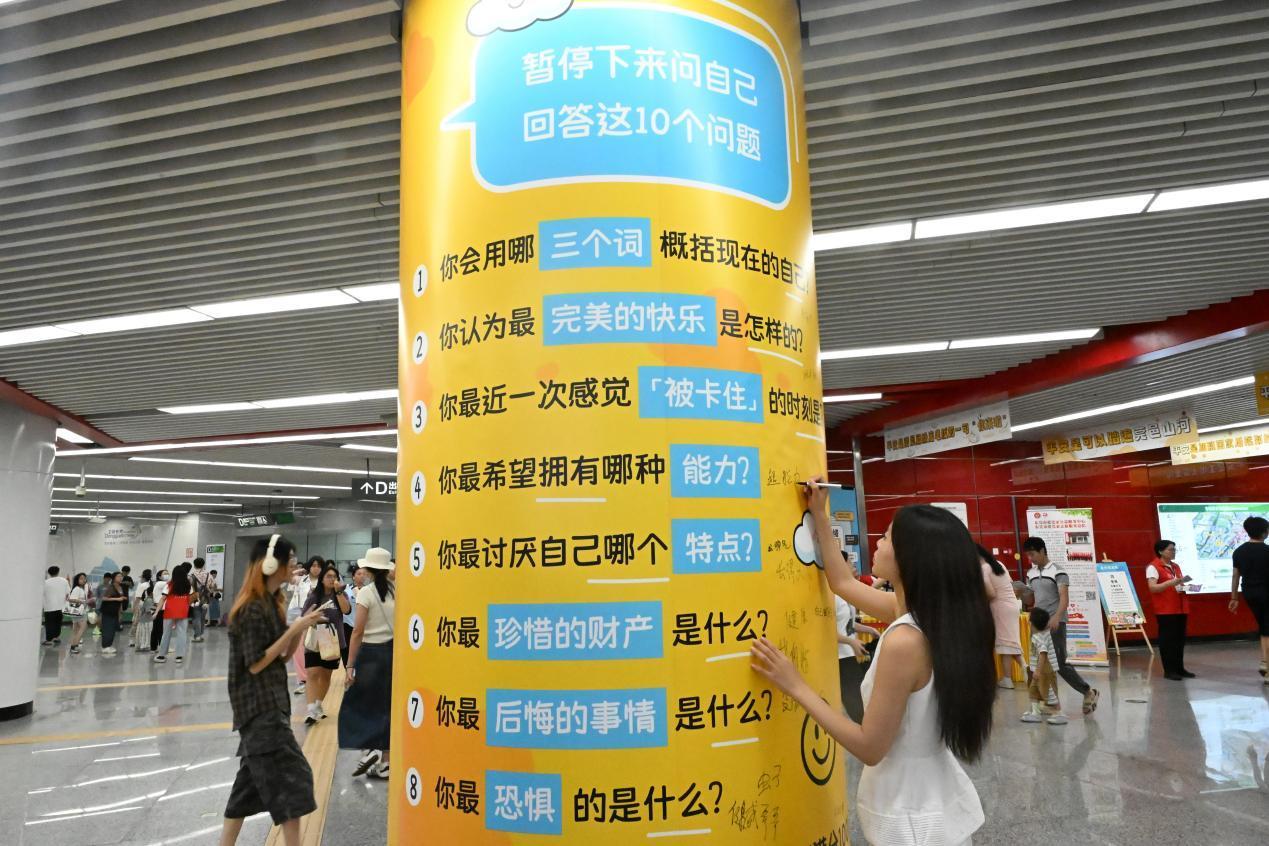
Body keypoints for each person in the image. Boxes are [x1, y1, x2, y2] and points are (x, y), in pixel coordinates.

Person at [751, 481, 995, 846]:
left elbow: (870, 746)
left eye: (887, 537)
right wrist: (819, 514)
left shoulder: (905, 641)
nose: (877, 543)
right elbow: (841, 582)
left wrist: (795, 684)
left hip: (911, 817)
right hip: (934, 796)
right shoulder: (932, 617)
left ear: (911, 558)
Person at [220, 534, 325, 846]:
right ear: (270, 564)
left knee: (247, 788)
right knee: (295, 781)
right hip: (259, 708)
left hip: (269, 704)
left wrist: (300, 628)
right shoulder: (251, 609)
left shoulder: (272, 603)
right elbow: (255, 664)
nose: (294, 565)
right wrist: (293, 630)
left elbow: (281, 655)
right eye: (289, 560)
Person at [1024, 537, 1099, 714]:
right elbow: (1029, 600)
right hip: (1038, 624)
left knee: (1059, 663)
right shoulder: (1030, 574)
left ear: (1042, 551)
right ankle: (1044, 703)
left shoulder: (1058, 571)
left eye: (1032, 554)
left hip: (1055, 623)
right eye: (1028, 555)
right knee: (1037, 664)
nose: (1030, 558)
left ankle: (1088, 691)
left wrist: (1057, 617)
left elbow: (1064, 598)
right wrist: (1021, 593)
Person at [340, 547, 396, 779]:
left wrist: (350, 665)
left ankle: (370, 749)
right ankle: (386, 762)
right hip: (393, 653)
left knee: (363, 705)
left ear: (369, 569)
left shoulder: (365, 593)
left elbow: (357, 632)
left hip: (371, 654)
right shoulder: (398, 591)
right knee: (387, 707)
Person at [299, 563, 352, 725]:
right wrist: (314, 617)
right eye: (328, 576)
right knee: (312, 673)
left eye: (334, 576)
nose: (332, 579)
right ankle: (311, 710)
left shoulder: (341, 594)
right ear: (322, 579)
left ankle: (318, 705)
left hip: (332, 638)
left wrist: (339, 592)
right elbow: (304, 615)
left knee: (326, 675)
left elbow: (346, 610)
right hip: (316, 636)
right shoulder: (313, 596)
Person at [1229, 515, 1269, 684]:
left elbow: (1235, 576)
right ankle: (1266, 665)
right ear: (1265, 532)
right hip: (1267, 592)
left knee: (1264, 627)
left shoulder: (1239, 551)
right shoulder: (1267, 551)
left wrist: (1234, 597)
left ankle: (1265, 662)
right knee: (1266, 628)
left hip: (1250, 593)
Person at [1147, 539, 1193, 680]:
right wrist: (1170, 583)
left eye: (1174, 549)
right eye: (1170, 549)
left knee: (1179, 640)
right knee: (1168, 641)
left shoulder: (1175, 566)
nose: (1173, 552)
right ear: (1161, 551)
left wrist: (1188, 587)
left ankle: (1179, 668)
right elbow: (1153, 588)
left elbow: (1177, 585)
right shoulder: (1153, 567)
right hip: (1165, 610)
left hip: (1180, 608)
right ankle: (1169, 671)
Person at [979, 544, 1024, 689]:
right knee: (1010, 643)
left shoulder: (984, 568)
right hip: (1012, 606)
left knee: (1006, 643)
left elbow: (991, 594)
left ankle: (1015, 675)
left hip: (1000, 608)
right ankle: (1019, 673)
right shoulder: (999, 564)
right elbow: (1011, 585)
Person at [1020, 607, 1067, 725]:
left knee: (1050, 693)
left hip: (1045, 671)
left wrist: (1038, 671)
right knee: (1033, 691)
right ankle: (1035, 713)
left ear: (1032, 624)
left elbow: (1043, 654)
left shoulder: (1039, 637)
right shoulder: (1043, 633)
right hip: (1039, 671)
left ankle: (1058, 713)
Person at [287, 557, 323, 696]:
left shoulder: (323, 582)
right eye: (313, 565)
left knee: (314, 648)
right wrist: (298, 570)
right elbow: (288, 578)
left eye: (319, 566)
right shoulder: (301, 580)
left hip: (316, 617)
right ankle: (302, 680)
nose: (316, 568)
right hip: (299, 616)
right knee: (299, 648)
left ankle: (315, 677)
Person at [155, 563, 193, 664]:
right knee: (182, 633)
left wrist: (156, 611)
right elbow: (191, 598)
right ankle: (179, 656)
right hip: (183, 611)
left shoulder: (169, 585)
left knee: (166, 633)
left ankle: (162, 655)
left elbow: (163, 599)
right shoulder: (188, 585)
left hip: (169, 611)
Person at [98, 571, 128, 655]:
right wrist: (117, 599)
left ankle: (109, 645)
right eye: (118, 576)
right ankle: (105, 647)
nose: (120, 578)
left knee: (112, 629)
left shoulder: (120, 587)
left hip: (115, 611)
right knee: (107, 629)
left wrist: (120, 610)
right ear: (114, 578)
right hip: (108, 611)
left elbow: (120, 599)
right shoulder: (111, 587)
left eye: (121, 576)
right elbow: (104, 598)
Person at [42, 566, 69, 646]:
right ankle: (56, 637)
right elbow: (68, 592)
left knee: (49, 623)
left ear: (49, 573)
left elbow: (42, 593)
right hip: (61, 606)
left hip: (49, 606)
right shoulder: (64, 581)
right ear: (58, 572)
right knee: (58, 622)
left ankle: (49, 640)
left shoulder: (45, 582)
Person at [66, 573, 90, 654]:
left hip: (78, 611)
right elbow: (71, 599)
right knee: (83, 628)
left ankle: (73, 646)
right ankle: (74, 645)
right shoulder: (77, 589)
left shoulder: (81, 588)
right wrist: (82, 601)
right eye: (81, 578)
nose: (84, 580)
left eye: (84, 578)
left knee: (76, 630)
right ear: (77, 580)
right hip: (79, 611)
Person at [190, 557, 212, 642]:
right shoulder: (208, 574)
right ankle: (201, 634)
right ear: (203, 565)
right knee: (202, 618)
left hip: (195, 599)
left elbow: (190, 587)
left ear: (194, 565)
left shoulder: (192, 575)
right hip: (205, 599)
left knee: (196, 617)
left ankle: (197, 636)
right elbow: (212, 586)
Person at [129, 568, 153, 648]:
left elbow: (137, 598)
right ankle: (144, 641)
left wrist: (134, 608)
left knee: (136, 624)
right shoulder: (150, 584)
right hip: (148, 606)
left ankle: (134, 641)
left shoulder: (142, 585)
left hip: (141, 606)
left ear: (143, 577)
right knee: (145, 625)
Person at [134, 580, 157, 652]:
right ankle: (146, 645)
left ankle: (143, 645)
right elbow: (148, 611)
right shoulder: (149, 600)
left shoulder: (147, 599)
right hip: (147, 621)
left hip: (144, 620)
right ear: (152, 593)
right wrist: (156, 609)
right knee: (147, 633)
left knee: (144, 633)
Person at [150, 569, 169, 652]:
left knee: (157, 628)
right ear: (159, 577)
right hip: (159, 608)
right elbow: (171, 584)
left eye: (168, 573)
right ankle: (161, 647)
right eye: (165, 573)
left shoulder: (161, 584)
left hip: (158, 608)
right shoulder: (161, 583)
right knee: (159, 629)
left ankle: (154, 647)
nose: (167, 575)